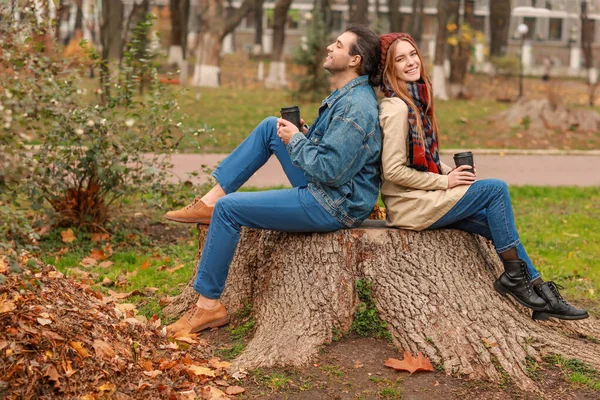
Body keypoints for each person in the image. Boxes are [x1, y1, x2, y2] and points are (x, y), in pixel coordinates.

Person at [164, 26, 382, 335]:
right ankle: (208, 201)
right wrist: (303, 135)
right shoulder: (347, 95)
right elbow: (335, 155)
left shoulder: (355, 107)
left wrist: (295, 141)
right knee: (271, 127)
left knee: (229, 210)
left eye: (338, 45)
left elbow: (331, 170)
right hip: (330, 187)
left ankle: (208, 308)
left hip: (333, 203)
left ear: (355, 60)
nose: (330, 47)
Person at [377, 32, 588, 321]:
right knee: (495, 189)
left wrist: (451, 172)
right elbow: (393, 171)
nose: (411, 62)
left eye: (413, 54)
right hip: (410, 207)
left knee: (495, 222)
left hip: (423, 199)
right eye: (400, 59)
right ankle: (515, 280)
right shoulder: (396, 107)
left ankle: (541, 296)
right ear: (389, 68)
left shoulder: (416, 99)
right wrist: (446, 182)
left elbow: (424, 160)